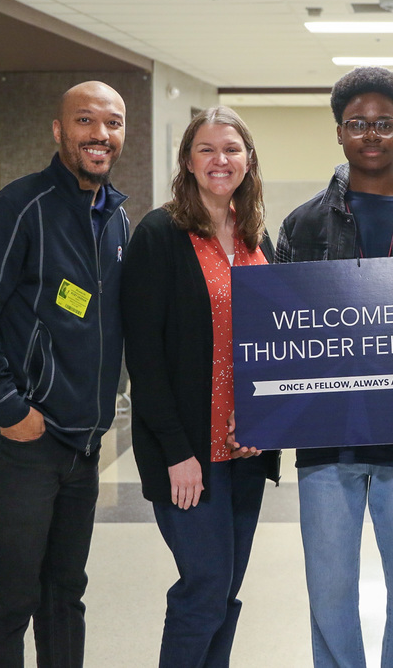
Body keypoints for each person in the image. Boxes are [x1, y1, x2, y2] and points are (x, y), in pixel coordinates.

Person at [275, 66, 393, 668]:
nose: (371, 135)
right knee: (329, 598)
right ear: (339, 133)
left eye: (384, 123)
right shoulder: (302, 225)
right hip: (326, 446)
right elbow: (282, 333)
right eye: (358, 124)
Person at [0, 81, 129, 667]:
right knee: (10, 597)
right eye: (85, 120)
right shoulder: (17, 209)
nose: (101, 134)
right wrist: (10, 409)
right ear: (58, 131)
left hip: (80, 442)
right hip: (18, 440)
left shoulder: (116, 223)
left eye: (114, 123)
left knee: (64, 594)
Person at [120, 106, 280, 667]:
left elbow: (277, 345)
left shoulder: (259, 239)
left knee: (225, 590)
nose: (220, 160)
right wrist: (178, 452)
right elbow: (145, 357)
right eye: (207, 150)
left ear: (248, 160)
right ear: (188, 160)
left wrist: (269, 421)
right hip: (190, 453)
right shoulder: (159, 235)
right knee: (205, 586)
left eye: (231, 149)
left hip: (246, 451)